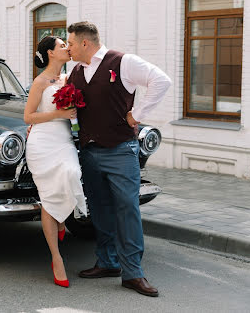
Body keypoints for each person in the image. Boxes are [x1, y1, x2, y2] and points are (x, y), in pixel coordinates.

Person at [65, 21, 171, 297]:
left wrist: (138, 115)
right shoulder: (75, 71)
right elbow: (70, 108)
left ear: (85, 43)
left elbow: (161, 80)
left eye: (72, 43)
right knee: (100, 209)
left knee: (127, 210)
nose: (69, 48)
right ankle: (108, 263)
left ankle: (133, 273)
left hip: (121, 151)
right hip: (89, 151)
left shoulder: (123, 62)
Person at [24, 35, 87, 288]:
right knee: (48, 198)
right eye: (63, 46)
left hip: (63, 141)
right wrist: (58, 113)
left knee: (72, 174)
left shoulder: (70, 78)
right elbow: (28, 116)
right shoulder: (39, 82)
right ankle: (56, 258)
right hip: (42, 144)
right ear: (51, 53)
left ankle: (62, 219)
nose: (67, 48)